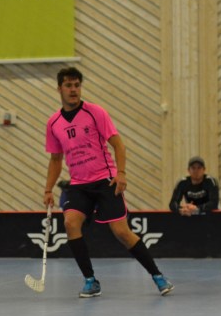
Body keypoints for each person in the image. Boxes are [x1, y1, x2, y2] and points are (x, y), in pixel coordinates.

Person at [43, 67, 174, 297]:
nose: (73, 90)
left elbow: (118, 145)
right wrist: (47, 189)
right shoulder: (54, 123)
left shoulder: (95, 112)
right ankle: (90, 280)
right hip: (79, 185)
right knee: (70, 223)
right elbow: (55, 159)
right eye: (68, 85)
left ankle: (157, 275)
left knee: (122, 232)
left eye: (77, 85)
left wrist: (121, 173)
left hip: (105, 181)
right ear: (59, 89)